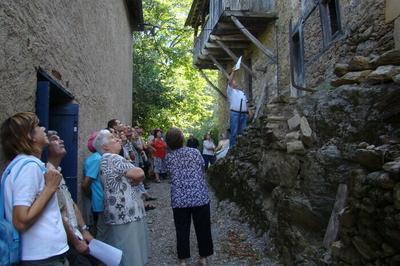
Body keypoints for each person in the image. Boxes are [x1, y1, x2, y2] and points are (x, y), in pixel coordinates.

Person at [0, 112, 69, 265]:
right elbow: (21, 221)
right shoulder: (29, 167)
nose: (43, 128)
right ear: (29, 136)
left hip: (44, 255)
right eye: (37, 126)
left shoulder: (21, 165)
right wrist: (50, 188)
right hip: (42, 257)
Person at [93, 129, 150, 266]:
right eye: (113, 138)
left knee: (120, 248)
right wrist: (139, 177)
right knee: (131, 253)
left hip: (117, 212)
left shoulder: (103, 160)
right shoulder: (113, 158)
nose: (118, 139)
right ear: (105, 146)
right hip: (127, 212)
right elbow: (139, 173)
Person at [47, 131, 101, 266]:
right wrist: (76, 242)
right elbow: (58, 213)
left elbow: (71, 204)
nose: (61, 141)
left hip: (76, 233)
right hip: (66, 239)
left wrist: (84, 229)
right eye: (54, 139)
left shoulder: (58, 171)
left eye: (60, 137)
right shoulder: (47, 174)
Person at [164, 127, 213, 266]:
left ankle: (183, 260)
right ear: (182, 139)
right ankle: (203, 258)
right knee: (203, 228)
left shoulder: (168, 157)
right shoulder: (195, 152)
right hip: (199, 196)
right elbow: (202, 167)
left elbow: (169, 173)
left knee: (182, 229)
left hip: (179, 199)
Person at [81, 131, 107, 241]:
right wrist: (92, 197)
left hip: (101, 199)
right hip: (99, 200)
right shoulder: (97, 159)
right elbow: (86, 183)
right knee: (102, 230)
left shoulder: (99, 157)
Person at [227, 70, 249, 147]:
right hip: (235, 113)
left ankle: (241, 149)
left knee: (243, 132)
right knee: (234, 132)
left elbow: (245, 102)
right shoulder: (230, 91)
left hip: (243, 114)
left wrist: (249, 112)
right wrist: (233, 71)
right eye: (234, 81)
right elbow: (229, 81)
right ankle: (232, 149)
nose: (235, 81)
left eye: (235, 81)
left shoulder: (241, 92)